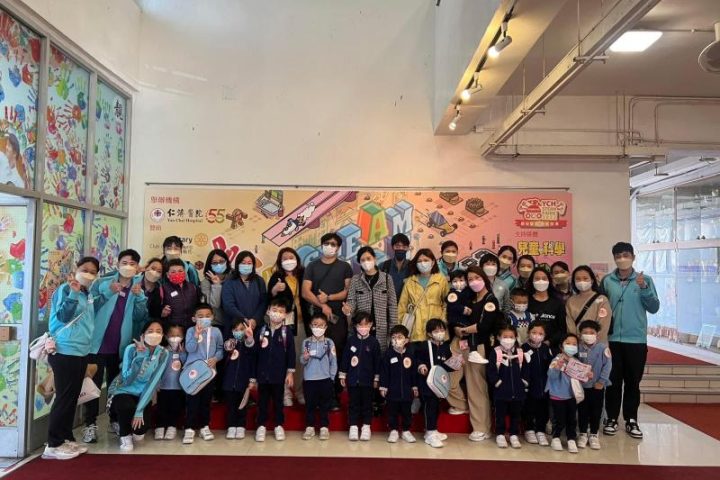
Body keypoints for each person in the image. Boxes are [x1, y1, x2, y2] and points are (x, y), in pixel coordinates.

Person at [84, 249, 148, 443]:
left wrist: (140, 297)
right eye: (124, 262)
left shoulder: (137, 288)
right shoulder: (102, 283)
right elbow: (89, 307)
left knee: (116, 386)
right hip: (96, 346)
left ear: (137, 267)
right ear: (118, 264)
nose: (128, 266)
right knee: (92, 386)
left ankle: (114, 420)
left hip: (120, 348)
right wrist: (108, 291)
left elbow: (140, 317)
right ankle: (90, 425)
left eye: (132, 264)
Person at [601, 242, 659, 440]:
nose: (622, 259)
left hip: (636, 340)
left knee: (633, 382)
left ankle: (631, 419)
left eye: (626, 255)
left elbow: (654, 307)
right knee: (613, 381)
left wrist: (644, 288)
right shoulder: (607, 281)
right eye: (618, 255)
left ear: (633, 257)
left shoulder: (645, 280)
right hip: (612, 340)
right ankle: (611, 418)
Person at [43, 257, 99, 460]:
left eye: (92, 272)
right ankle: (53, 444)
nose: (88, 274)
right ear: (76, 269)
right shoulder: (65, 290)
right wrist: (73, 293)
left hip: (81, 352)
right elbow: (63, 317)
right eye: (84, 269)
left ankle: (65, 437)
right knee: (64, 398)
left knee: (72, 397)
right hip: (64, 350)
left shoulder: (88, 294)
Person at [446, 266, 502, 442]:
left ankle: (482, 428)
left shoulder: (490, 300)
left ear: (484, 278)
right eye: (470, 279)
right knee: (448, 375)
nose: (473, 282)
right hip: (459, 345)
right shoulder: (468, 297)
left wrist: (464, 330)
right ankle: (461, 404)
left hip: (477, 348)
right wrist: (456, 328)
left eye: (477, 278)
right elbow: (453, 314)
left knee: (476, 387)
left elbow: (484, 326)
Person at [302, 232, 352, 407]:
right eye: (327, 243)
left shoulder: (345, 266)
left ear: (338, 248)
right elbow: (305, 292)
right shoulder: (312, 266)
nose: (329, 246)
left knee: (336, 353)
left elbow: (347, 291)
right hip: (318, 318)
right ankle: (316, 396)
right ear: (321, 245)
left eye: (333, 244)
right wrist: (322, 305)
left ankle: (334, 395)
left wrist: (329, 298)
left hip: (338, 318)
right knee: (316, 354)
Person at [107, 320, 170, 452]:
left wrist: (140, 410)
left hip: (143, 393)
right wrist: (140, 357)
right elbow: (126, 379)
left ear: (163, 335)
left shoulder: (163, 353)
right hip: (123, 390)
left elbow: (153, 382)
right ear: (143, 335)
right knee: (126, 406)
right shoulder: (131, 349)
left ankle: (131, 427)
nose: (154, 334)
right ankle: (124, 435)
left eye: (158, 332)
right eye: (150, 331)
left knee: (140, 433)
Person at [267, 247, 309, 407]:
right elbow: (269, 299)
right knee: (282, 358)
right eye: (284, 258)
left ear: (297, 259)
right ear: (280, 261)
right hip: (283, 323)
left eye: (291, 257)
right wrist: (274, 290)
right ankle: (285, 393)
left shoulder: (303, 274)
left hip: (302, 323)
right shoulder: (276, 276)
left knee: (299, 358)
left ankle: (299, 391)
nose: (288, 260)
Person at [255, 298, 296, 442]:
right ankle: (261, 426)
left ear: (285, 315)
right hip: (262, 375)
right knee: (263, 402)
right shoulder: (261, 330)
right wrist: (254, 376)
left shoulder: (286, 332)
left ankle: (279, 425)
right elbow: (255, 353)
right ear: (268, 311)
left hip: (278, 375)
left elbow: (291, 354)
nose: (277, 313)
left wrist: (290, 373)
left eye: (280, 311)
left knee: (279, 401)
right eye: (274, 310)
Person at [182, 304, 224, 444]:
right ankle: (189, 428)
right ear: (194, 318)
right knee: (192, 400)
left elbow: (220, 349)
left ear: (212, 317)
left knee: (206, 401)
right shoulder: (190, 330)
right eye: (200, 316)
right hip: (193, 371)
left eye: (207, 316)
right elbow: (189, 349)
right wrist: (196, 335)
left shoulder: (216, 331)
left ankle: (204, 426)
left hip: (209, 372)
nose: (204, 318)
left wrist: (216, 358)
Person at [342, 246, 398, 353]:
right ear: (359, 263)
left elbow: (392, 305)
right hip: (362, 327)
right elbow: (351, 300)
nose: (366, 262)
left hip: (381, 328)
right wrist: (348, 309)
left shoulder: (387, 278)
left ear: (374, 259)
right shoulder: (356, 279)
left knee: (380, 355)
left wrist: (393, 329)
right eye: (362, 260)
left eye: (368, 258)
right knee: (362, 355)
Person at [339, 312, 381, 441]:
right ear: (355, 326)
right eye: (360, 325)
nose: (363, 327)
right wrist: (342, 375)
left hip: (368, 381)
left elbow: (377, 362)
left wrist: (376, 378)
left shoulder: (374, 342)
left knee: (367, 404)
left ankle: (366, 427)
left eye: (366, 325)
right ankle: (353, 427)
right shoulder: (351, 341)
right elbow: (345, 358)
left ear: (371, 325)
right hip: (353, 380)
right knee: (353, 404)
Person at [487, 324, 528, 449]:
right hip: (501, 391)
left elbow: (525, 370)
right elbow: (491, 370)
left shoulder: (520, 352)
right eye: (505, 337)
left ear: (516, 338)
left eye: (511, 337)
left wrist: (523, 382)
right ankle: (500, 434)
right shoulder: (495, 352)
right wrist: (497, 383)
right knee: (500, 414)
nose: (508, 339)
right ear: (499, 337)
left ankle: (513, 434)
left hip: (518, 391)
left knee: (516, 414)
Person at [415, 319, 453, 449]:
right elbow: (417, 359)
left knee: (436, 407)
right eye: (436, 331)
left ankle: (433, 429)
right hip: (427, 382)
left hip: (439, 383)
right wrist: (421, 366)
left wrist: (456, 363)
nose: (440, 333)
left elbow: (448, 364)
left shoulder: (445, 347)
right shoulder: (424, 346)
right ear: (429, 333)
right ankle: (429, 432)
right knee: (429, 406)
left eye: (442, 330)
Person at [397, 249, 448, 342]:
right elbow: (402, 307)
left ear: (433, 262)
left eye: (426, 260)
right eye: (419, 261)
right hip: (415, 330)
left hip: (436, 329)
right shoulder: (410, 281)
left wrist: (442, 322)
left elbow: (447, 304)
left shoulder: (441, 280)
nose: (422, 263)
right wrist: (401, 329)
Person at [300, 312, 337, 441]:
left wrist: (331, 377)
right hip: (309, 379)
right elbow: (302, 361)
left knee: (324, 405)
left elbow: (333, 361)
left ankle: (324, 427)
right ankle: (309, 427)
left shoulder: (329, 343)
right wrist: (305, 358)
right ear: (310, 326)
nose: (318, 328)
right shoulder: (306, 342)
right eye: (315, 325)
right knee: (309, 404)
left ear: (325, 327)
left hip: (325, 379)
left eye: (321, 325)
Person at [379, 324, 418, 444]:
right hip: (392, 391)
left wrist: (414, 386)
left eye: (400, 337)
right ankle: (393, 430)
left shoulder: (410, 354)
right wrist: (383, 386)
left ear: (406, 340)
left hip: (407, 391)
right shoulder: (388, 354)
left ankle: (406, 431)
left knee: (407, 412)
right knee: (392, 412)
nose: (396, 340)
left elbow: (413, 372)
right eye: (394, 337)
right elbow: (384, 372)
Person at [577, 320, 612, 450]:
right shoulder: (578, 348)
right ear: (580, 334)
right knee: (582, 410)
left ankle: (593, 434)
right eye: (585, 332)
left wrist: (601, 381)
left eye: (591, 332)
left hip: (597, 386)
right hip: (582, 386)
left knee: (596, 410)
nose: (588, 335)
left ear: (597, 334)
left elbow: (608, 365)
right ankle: (582, 433)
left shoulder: (603, 348)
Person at [223, 319, 257, 440]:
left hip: (243, 381)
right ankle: (231, 426)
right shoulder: (230, 343)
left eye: (241, 329)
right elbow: (224, 357)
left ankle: (241, 426)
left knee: (242, 405)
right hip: (229, 381)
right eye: (236, 330)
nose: (239, 332)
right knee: (231, 406)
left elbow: (253, 361)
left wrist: (252, 379)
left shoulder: (249, 345)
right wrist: (229, 348)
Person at [546, 333, 580, 454]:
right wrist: (557, 367)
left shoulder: (576, 361)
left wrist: (588, 375)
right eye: (568, 343)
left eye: (574, 344)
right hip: (557, 396)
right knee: (559, 419)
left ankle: (571, 439)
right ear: (561, 346)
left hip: (572, 396)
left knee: (572, 419)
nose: (571, 346)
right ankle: (556, 437)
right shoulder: (556, 359)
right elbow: (551, 375)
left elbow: (581, 377)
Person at [221, 251, 267, 337]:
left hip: (256, 326)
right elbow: (228, 305)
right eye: (243, 263)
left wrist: (255, 319)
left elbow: (263, 302)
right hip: (236, 326)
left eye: (249, 263)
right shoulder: (229, 281)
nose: (246, 265)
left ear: (253, 265)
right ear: (237, 264)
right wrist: (243, 319)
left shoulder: (259, 281)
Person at [520, 322, 552, 447]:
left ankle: (540, 430)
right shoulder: (523, 348)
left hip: (544, 385)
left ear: (544, 335)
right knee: (529, 407)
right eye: (534, 332)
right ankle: (529, 429)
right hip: (529, 385)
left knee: (543, 409)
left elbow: (550, 365)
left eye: (540, 333)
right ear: (528, 333)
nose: (537, 335)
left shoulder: (545, 348)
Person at [154, 324, 186, 441]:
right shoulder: (163, 351)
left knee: (175, 407)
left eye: (178, 335)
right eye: (172, 335)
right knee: (162, 407)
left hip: (178, 387)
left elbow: (186, 364)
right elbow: (157, 368)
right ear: (166, 336)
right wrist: (157, 383)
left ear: (183, 337)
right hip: (163, 386)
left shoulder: (184, 351)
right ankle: (160, 426)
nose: (175, 338)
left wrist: (182, 353)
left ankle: (172, 426)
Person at [566, 265, 612, 343]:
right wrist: (575, 341)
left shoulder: (602, 299)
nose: (581, 281)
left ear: (592, 280)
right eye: (578, 279)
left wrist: (592, 342)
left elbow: (604, 326)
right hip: (578, 344)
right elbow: (570, 326)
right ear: (574, 281)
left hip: (598, 345)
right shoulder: (570, 301)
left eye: (585, 278)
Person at [527, 267, 566, 348]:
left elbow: (562, 329)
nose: (541, 281)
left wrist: (548, 342)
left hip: (552, 347)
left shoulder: (557, 303)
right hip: (529, 346)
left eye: (544, 278)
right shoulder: (526, 301)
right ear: (532, 281)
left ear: (549, 281)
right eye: (537, 279)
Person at [160, 258, 200, 329]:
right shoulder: (163, 289)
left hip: (191, 327)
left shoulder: (193, 287)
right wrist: (162, 312)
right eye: (173, 272)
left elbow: (198, 306)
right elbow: (157, 309)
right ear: (167, 275)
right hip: (173, 329)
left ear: (185, 273)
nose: (177, 274)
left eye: (180, 271)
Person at [200, 249, 232, 331]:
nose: (218, 264)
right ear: (210, 265)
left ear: (226, 262)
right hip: (216, 323)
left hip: (234, 322)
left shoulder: (233, 277)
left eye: (221, 261)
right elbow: (214, 305)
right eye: (214, 262)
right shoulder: (205, 282)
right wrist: (216, 285)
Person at [380, 233, 411, 301]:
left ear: (408, 248)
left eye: (404, 246)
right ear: (392, 247)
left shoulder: (413, 266)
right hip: (387, 305)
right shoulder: (384, 266)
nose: (400, 248)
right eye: (397, 246)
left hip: (407, 305)